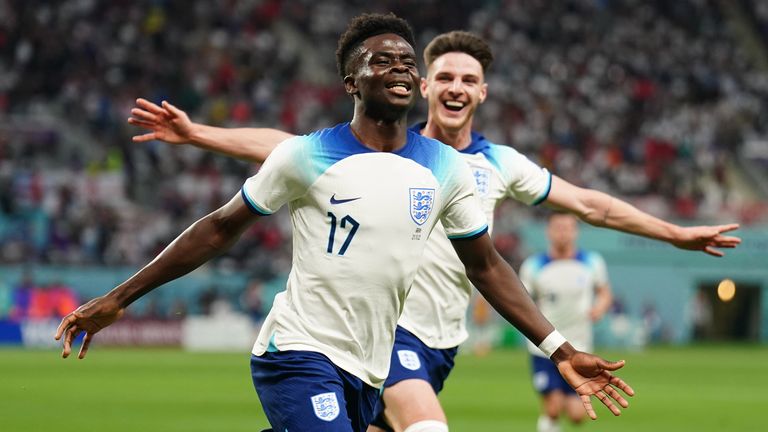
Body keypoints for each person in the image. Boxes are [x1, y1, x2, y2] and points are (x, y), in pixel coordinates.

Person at [127, 29, 739, 432]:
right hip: (394, 333)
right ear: (424, 85)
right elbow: (286, 149)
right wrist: (202, 133)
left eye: (468, 79)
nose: (455, 87)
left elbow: (592, 207)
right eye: (444, 76)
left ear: (482, 93)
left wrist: (674, 234)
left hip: (439, 344)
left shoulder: (495, 165)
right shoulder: (381, 147)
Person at [520, 212, 614, 432]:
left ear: (576, 231)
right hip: (544, 347)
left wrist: (599, 307)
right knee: (553, 408)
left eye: (568, 228)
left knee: (577, 415)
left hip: (579, 346)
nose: (563, 233)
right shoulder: (534, 266)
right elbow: (522, 300)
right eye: (558, 228)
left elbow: (605, 292)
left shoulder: (592, 262)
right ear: (548, 232)